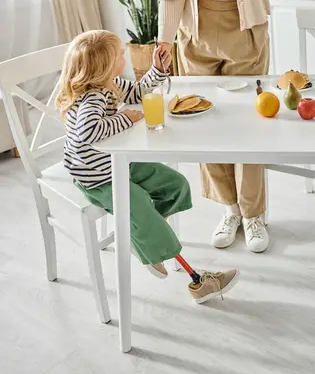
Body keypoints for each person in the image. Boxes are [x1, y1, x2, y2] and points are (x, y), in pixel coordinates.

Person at [135, 0, 297, 254]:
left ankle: (254, 212)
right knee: (204, 122)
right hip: (195, 34)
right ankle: (229, 208)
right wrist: (164, 39)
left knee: (249, 122)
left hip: (246, 27)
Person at [55, 30, 239, 303]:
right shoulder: (92, 98)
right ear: (104, 65)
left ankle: (142, 230)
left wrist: (156, 69)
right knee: (139, 202)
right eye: (119, 54)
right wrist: (126, 119)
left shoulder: (110, 83)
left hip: (117, 163)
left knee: (174, 184)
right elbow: (88, 132)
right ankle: (194, 279)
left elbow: (139, 92)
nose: (124, 55)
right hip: (96, 178)